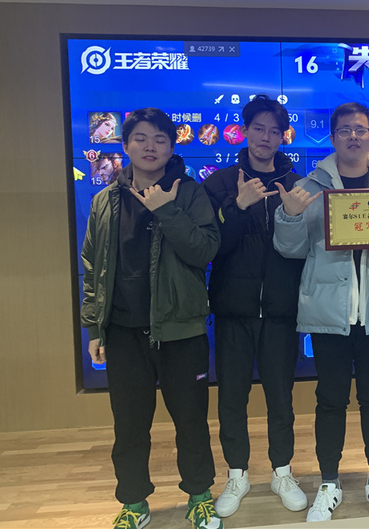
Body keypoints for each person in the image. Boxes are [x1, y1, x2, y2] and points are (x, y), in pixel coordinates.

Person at [273, 102, 369, 522]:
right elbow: (290, 249)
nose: (353, 137)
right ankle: (329, 483)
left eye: (360, 129)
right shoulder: (311, 185)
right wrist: (289, 215)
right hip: (329, 313)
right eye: (344, 130)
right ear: (333, 136)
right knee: (330, 400)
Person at [80, 108, 223, 529]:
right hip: (123, 332)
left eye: (160, 138)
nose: (150, 146)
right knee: (129, 425)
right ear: (125, 145)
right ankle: (134, 502)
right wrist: (94, 327)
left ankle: (199, 497)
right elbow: (92, 267)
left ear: (172, 146)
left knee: (191, 421)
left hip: (181, 329)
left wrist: (166, 210)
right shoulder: (105, 200)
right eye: (140, 138)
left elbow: (204, 251)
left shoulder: (190, 194)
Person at [201, 95, 307, 517]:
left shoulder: (297, 185)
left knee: (281, 397)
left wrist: (294, 215)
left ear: (283, 136)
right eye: (258, 128)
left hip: (281, 311)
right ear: (244, 131)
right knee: (232, 397)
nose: (266, 137)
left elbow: (305, 250)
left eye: (274, 131)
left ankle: (282, 471)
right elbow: (211, 248)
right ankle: (237, 474)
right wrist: (238, 206)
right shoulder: (220, 183)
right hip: (233, 310)